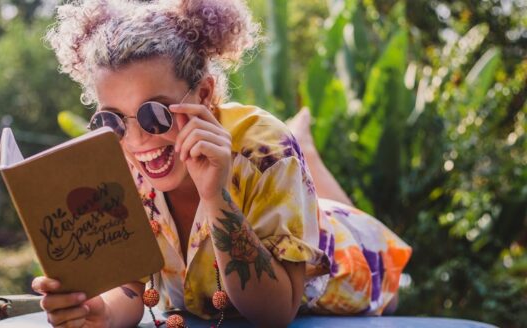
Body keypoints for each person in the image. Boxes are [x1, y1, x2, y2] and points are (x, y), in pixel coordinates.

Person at [31, 0, 412, 327]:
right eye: (113, 120)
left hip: (350, 261)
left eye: (155, 114)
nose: (137, 139)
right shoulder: (119, 158)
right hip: (277, 212)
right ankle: (310, 163)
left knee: (355, 239)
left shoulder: (266, 153)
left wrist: (214, 196)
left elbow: (276, 313)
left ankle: (307, 154)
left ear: (205, 93)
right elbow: (132, 288)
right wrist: (101, 313)